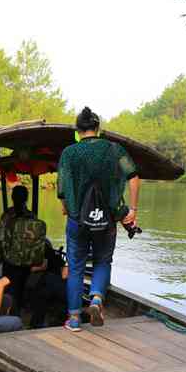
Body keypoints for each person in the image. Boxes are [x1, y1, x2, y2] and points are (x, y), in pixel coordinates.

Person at [58, 107, 141, 331]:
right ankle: (96, 299)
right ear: (98, 129)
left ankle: (74, 320)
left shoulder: (69, 153)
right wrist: (132, 209)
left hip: (77, 221)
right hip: (107, 220)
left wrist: (67, 208)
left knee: (75, 267)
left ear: (78, 130)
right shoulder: (115, 150)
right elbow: (133, 177)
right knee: (103, 262)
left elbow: (63, 190)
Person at [0, 185, 45, 312]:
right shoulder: (31, 215)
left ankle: (12, 309)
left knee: (11, 286)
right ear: (26, 199)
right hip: (28, 259)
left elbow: (1, 237)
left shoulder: (7, 215)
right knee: (22, 284)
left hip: (11, 260)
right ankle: (23, 305)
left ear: (12, 198)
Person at [25, 239, 68, 328]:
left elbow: (44, 266)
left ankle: (36, 323)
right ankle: (39, 322)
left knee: (42, 294)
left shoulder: (44, 250)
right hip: (55, 283)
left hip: (51, 282)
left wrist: (30, 269)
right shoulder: (56, 260)